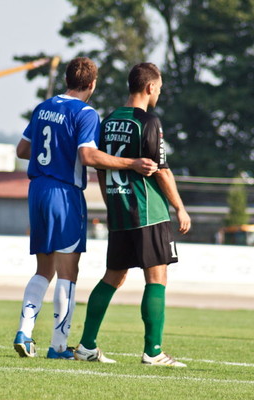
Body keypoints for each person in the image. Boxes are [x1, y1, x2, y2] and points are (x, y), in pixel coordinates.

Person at [13, 57, 158, 360]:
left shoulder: (44, 107)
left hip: (37, 189)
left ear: (67, 79)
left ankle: (24, 332)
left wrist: (54, 152)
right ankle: (58, 346)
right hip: (64, 194)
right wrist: (132, 163)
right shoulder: (86, 112)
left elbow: (23, 150)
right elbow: (89, 156)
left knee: (44, 269)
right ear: (92, 84)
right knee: (68, 271)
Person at [74, 63, 191, 367]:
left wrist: (111, 204)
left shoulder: (109, 120)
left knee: (113, 276)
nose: (159, 93)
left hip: (119, 210)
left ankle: (86, 345)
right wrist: (179, 207)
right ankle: (153, 351)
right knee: (157, 276)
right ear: (150, 87)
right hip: (148, 210)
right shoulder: (148, 121)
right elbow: (160, 170)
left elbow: (101, 167)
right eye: (159, 88)